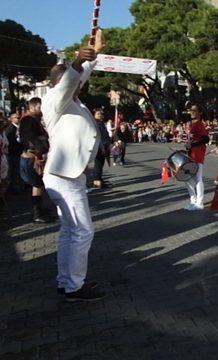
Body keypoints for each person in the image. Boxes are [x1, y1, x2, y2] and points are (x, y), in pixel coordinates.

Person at [41, 30, 106, 302]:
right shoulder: (53, 101)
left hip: (70, 175)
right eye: (72, 79)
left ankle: (66, 281)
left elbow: (78, 78)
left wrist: (94, 53)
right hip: (64, 177)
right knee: (83, 230)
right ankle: (74, 287)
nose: (79, 83)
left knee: (70, 231)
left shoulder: (74, 101)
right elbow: (70, 81)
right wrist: (77, 63)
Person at [19, 97, 54, 223]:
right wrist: (39, 155)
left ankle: (40, 209)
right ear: (32, 107)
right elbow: (31, 139)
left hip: (36, 156)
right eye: (39, 107)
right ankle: (37, 214)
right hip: (33, 158)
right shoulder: (28, 120)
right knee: (37, 185)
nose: (42, 110)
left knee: (39, 184)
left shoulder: (34, 120)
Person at [183, 104, 209, 210]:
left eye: (194, 110)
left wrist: (192, 145)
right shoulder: (191, 124)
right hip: (190, 154)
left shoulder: (199, 124)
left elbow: (205, 139)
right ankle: (193, 200)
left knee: (197, 178)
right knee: (187, 177)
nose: (191, 112)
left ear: (200, 112)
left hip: (198, 153)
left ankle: (200, 202)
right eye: (191, 110)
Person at [91, 109, 110, 189]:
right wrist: (101, 147)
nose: (100, 115)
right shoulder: (95, 124)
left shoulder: (101, 123)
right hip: (99, 146)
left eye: (101, 114)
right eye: (98, 114)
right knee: (98, 164)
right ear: (94, 115)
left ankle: (99, 179)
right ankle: (96, 182)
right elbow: (97, 137)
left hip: (104, 145)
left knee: (101, 164)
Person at [5, 112, 23, 193]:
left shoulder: (18, 128)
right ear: (12, 119)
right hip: (12, 153)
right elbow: (11, 142)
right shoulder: (10, 129)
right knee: (13, 172)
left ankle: (15, 187)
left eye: (19, 117)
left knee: (16, 172)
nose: (18, 119)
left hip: (17, 153)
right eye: (17, 117)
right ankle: (11, 188)